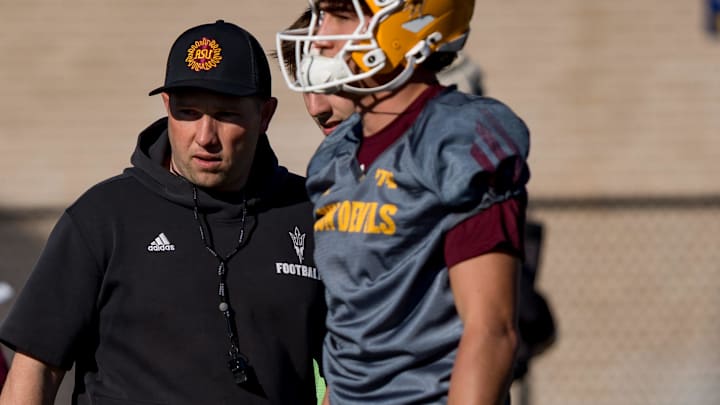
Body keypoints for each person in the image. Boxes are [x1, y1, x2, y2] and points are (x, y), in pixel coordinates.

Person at [0, 20, 326, 405]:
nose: (205, 136)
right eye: (188, 112)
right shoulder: (103, 217)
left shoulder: (314, 215)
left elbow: (357, 364)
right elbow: (35, 370)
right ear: (167, 107)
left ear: (265, 115)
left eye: (226, 114)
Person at [276, 1, 531, 404]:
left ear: (408, 24)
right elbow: (351, 339)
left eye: (342, 15)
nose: (320, 36)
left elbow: (491, 331)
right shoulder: (334, 157)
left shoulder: (457, 137)